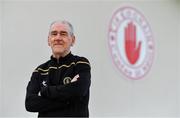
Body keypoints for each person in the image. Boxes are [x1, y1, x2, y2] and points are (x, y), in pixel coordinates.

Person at [25, 20, 91, 117]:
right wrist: (68, 99)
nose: (58, 38)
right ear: (48, 40)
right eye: (54, 34)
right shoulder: (40, 70)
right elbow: (30, 104)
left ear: (72, 40)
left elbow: (79, 90)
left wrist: (45, 91)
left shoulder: (80, 63)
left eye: (63, 34)